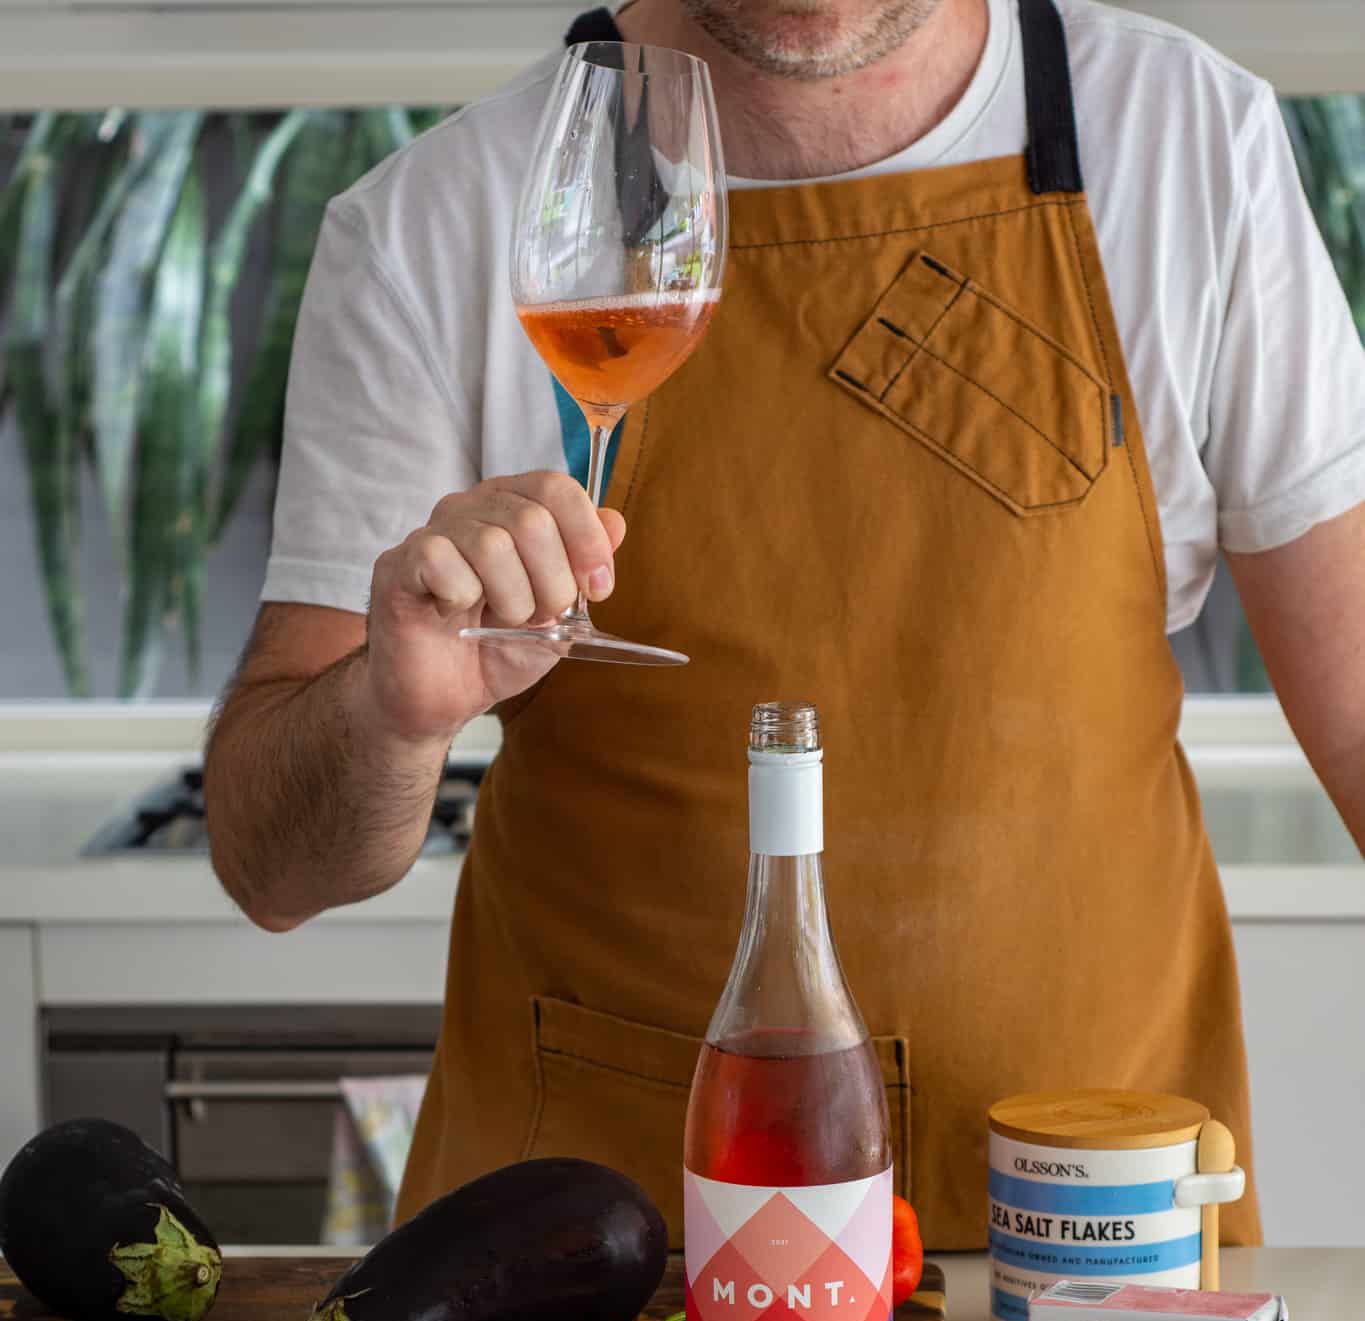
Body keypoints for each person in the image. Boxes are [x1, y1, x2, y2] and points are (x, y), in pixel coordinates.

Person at [204, 0, 1365, 1249]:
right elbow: (272, 869)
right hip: (615, 1268)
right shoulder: (437, 226)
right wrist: (392, 705)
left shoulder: (1189, 139)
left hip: (1089, 1248)